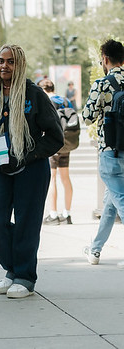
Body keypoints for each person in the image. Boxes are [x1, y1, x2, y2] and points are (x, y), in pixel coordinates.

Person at [0, 44, 63, 299]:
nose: (5, 66)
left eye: (11, 61)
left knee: (27, 223)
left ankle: (25, 276)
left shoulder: (34, 94)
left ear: (20, 64)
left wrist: (28, 154)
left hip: (31, 169)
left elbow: (55, 136)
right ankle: (12, 269)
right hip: (1, 168)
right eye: (1, 61)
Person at [81, 39, 124, 267]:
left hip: (111, 152)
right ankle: (95, 250)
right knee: (110, 203)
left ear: (105, 59)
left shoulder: (102, 83)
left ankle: (95, 250)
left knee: (121, 200)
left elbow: (87, 116)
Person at [37, 78, 75, 226]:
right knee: (65, 176)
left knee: (52, 177)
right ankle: (67, 213)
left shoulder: (46, 101)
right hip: (67, 143)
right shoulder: (65, 100)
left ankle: (53, 214)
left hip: (53, 144)